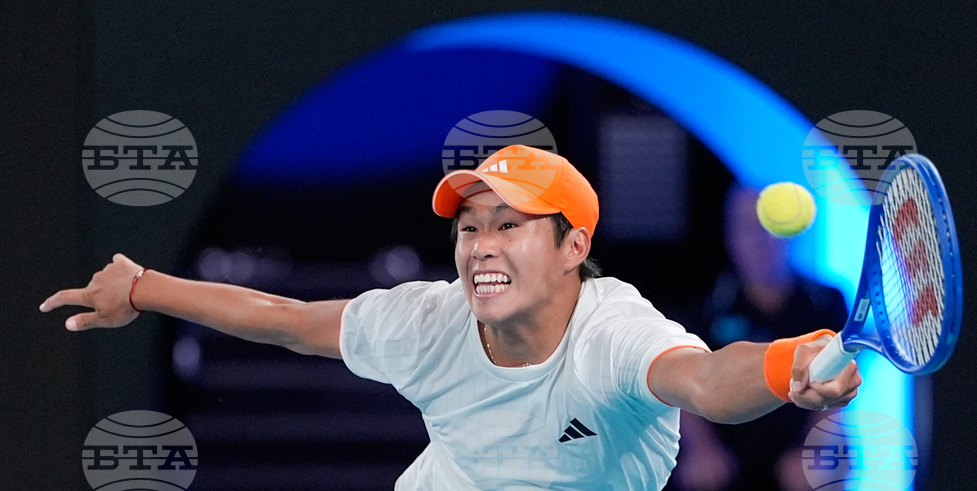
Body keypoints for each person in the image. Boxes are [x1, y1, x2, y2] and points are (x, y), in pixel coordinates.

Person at [40, 145, 861, 490]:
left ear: (575, 246)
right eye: (469, 226)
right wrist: (143, 285)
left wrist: (787, 366)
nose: (480, 245)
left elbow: (708, 379)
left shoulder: (613, 331)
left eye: (509, 225)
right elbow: (287, 319)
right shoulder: (426, 320)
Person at [669, 185, 848, 491]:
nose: (759, 240)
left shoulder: (826, 302)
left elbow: (836, 391)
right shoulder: (706, 307)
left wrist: (814, 449)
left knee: (832, 461)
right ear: (731, 236)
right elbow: (681, 384)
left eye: (769, 226)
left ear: (791, 232)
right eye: (747, 227)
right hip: (727, 455)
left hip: (795, 451)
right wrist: (702, 449)